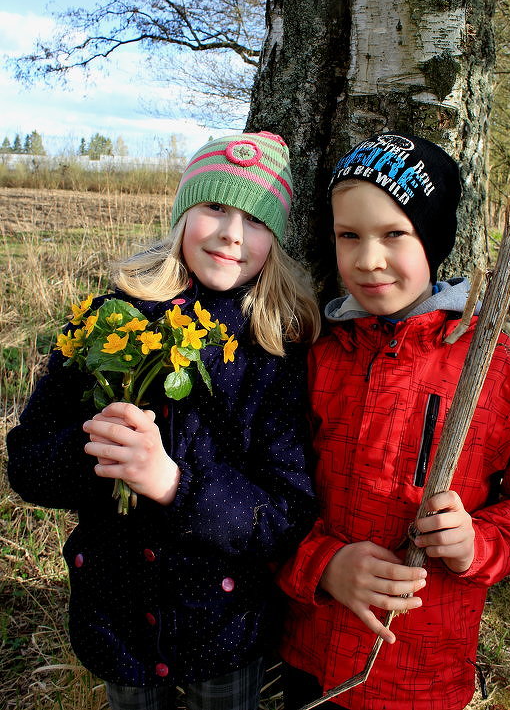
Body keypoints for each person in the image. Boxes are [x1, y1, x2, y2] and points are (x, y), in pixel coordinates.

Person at [7, 131, 321, 710]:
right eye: (215, 207)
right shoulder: (108, 321)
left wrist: (173, 484)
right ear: (182, 214)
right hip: (116, 619)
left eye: (255, 219)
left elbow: (285, 514)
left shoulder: (274, 353)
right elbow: (25, 466)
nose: (231, 233)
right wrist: (96, 449)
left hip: (225, 628)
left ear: (275, 240)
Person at [278, 132, 510, 710]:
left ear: (435, 239)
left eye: (395, 234)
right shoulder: (316, 354)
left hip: (423, 673)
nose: (368, 260)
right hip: (311, 654)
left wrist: (480, 543)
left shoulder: (496, 366)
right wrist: (322, 565)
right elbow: (269, 494)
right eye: (349, 236)